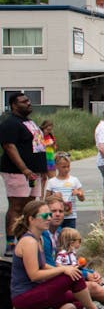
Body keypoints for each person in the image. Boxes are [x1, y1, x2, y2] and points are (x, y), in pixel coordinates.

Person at [10, 199, 104, 309]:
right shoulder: (29, 241)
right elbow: (34, 275)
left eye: (49, 214)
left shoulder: (39, 239)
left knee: (79, 299)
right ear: (31, 219)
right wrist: (63, 270)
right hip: (24, 297)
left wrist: (67, 268)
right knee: (71, 277)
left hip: (36, 291)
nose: (49, 218)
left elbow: (43, 266)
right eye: (44, 215)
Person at [4, 93, 47, 248]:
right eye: (24, 102)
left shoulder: (29, 122)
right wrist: (24, 169)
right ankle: (10, 243)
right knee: (16, 206)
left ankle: (25, 239)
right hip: (17, 172)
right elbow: (9, 146)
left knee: (30, 207)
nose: (28, 103)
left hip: (34, 172)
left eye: (28, 100)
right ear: (14, 105)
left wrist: (43, 169)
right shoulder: (10, 123)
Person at [44, 153, 86, 230]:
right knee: (57, 234)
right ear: (56, 166)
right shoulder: (51, 182)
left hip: (70, 216)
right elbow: (46, 200)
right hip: (56, 216)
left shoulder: (74, 180)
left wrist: (79, 194)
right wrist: (54, 197)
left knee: (69, 236)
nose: (67, 169)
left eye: (68, 166)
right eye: (63, 167)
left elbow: (82, 199)